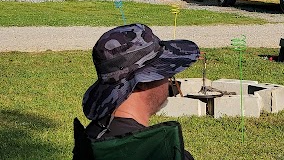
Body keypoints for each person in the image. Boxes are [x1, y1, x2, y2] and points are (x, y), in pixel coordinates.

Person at [75, 23, 200, 159]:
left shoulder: (92, 139)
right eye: (165, 74)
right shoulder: (162, 153)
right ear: (144, 82)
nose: (168, 81)